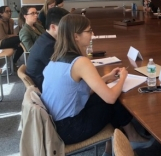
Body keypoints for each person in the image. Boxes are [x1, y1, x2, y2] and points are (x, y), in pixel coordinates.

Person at [41, 15, 153, 155]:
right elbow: (110, 97)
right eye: (89, 31)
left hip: (54, 124)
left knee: (106, 97)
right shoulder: (80, 62)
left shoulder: (56, 58)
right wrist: (123, 78)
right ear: (76, 36)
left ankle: (115, 145)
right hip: (69, 129)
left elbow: (78, 92)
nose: (92, 34)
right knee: (113, 101)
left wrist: (107, 77)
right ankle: (129, 139)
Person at [26, 7, 69, 91]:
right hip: (46, 89)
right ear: (53, 27)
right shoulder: (48, 46)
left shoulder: (46, 39)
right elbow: (63, 72)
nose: (69, 29)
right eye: (66, 26)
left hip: (47, 83)